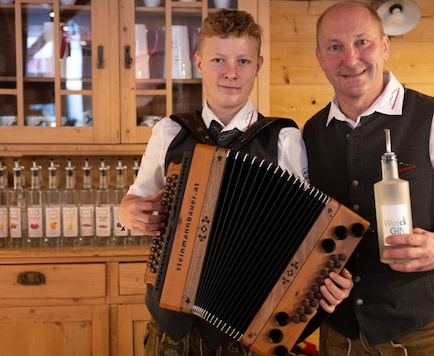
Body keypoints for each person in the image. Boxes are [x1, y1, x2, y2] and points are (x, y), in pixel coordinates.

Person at [118, 9, 354, 355]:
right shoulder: (169, 132)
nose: (231, 72)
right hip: (173, 330)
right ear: (199, 62)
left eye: (243, 61)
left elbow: (310, 227)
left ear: (258, 65)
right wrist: (126, 212)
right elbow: (135, 202)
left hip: (250, 324)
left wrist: (328, 274)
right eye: (218, 60)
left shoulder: (283, 137)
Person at [302, 1, 434, 355]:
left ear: (384, 45)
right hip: (338, 336)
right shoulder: (310, 132)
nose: (350, 60)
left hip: (423, 336)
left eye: (362, 42)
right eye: (335, 47)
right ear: (320, 56)